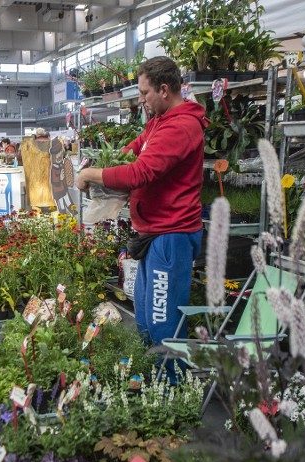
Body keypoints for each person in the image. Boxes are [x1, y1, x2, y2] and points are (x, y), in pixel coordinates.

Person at [75, 56, 207, 354]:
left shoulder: (181, 126)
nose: (141, 99)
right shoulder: (159, 123)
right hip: (153, 234)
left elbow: (140, 172)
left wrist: (91, 174)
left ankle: (171, 389)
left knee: (163, 324)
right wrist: (104, 165)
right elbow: (130, 153)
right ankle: (151, 384)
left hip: (171, 236)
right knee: (146, 318)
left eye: (144, 92)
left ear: (163, 89)